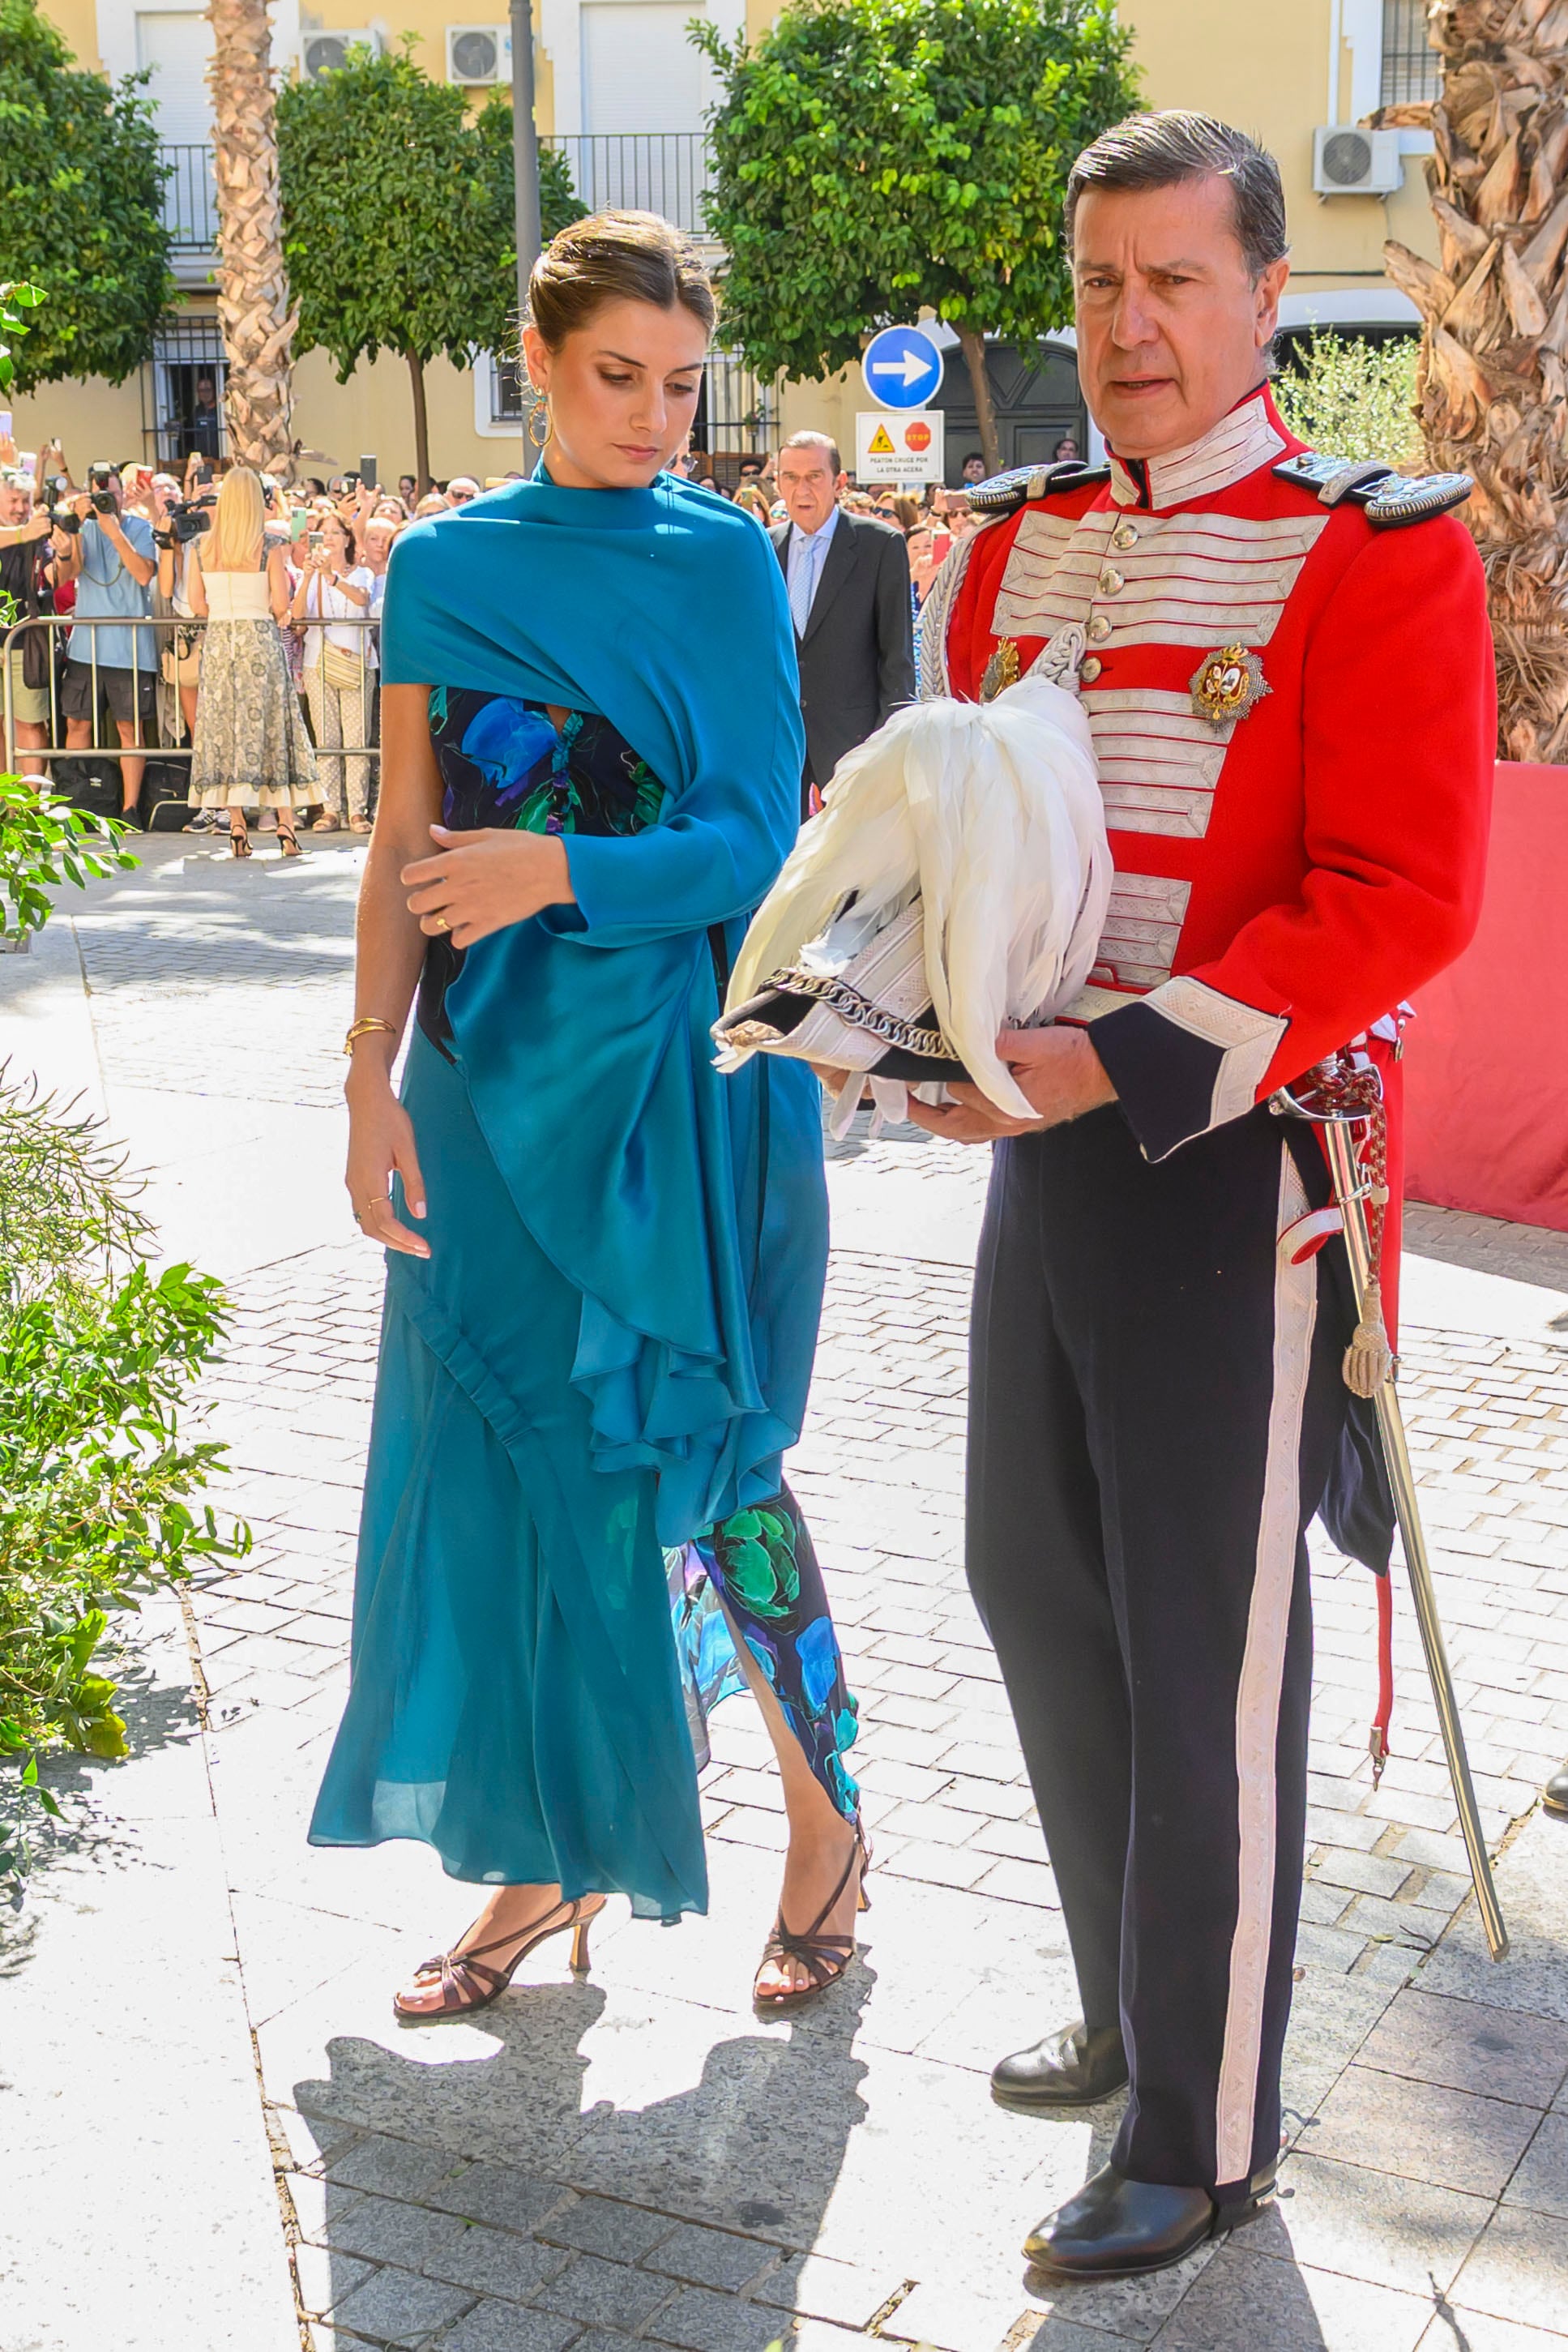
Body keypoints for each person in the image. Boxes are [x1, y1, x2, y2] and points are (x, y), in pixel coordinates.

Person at [912, 109, 1495, 2281]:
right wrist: (899, 1006)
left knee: (1198, 1647)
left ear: (1264, 295)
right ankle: (1133, 1993)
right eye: (1094, 283)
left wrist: (1122, 1054)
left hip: (1228, 1159)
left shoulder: (1372, 546)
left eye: (1170, 281)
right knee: (1024, 1572)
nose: (1126, 326)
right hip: (1035, 1137)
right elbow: (971, 832)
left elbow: (1402, 891)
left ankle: (1205, 2121)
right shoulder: (1000, 534)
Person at [310, 209, 865, 2020]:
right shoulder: (443, 565)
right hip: (477, 1090)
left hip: (673, 1092)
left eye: (680, 383)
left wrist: (559, 862)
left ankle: (821, 1820)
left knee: (711, 1466)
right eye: (615, 377)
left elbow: (751, 838)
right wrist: (370, 1067)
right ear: (535, 366)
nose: (652, 415)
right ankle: (536, 1863)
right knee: (502, 1467)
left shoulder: (718, 562)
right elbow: (401, 839)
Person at [771, 431, 915, 819]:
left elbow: (897, 657)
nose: (801, 489)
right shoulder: (765, 548)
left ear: (839, 482)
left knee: (856, 872)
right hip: (782, 745)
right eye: (790, 477)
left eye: (814, 476)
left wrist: (889, 747)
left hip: (854, 743)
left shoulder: (879, 546)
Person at [186, 466, 317, 856]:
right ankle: (286, 826)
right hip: (259, 639)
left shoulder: (200, 546)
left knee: (225, 730)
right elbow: (280, 604)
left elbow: (196, 605)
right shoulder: (268, 545)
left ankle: (238, 827)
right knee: (275, 728)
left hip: (221, 641)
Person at [51, 466, 156, 824]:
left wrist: (113, 530)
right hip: (86, 648)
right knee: (77, 725)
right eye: (98, 495)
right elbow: (69, 574)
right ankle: (73, 805)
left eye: (109, 494)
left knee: (130, 730)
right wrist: (77, 528)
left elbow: (143, 574)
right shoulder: (84, 527)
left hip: (130, 649)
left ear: (123, 494)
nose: (104, 501)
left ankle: (130, 809)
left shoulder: (139, 529)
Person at [290, 511, 376, 832]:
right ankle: (330, 810)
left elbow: (362, 600)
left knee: (356, 739)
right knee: (326, 739)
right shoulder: (309, 576)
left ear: (347, 539)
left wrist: (333, 578)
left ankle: (357, 809)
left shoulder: (362, 573)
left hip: (356, 661)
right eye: (323, 533)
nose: (329, 538)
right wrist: (310, 577)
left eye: (335, 533)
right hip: (318, 660)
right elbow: (297, 620)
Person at [0, 467, 57, 769]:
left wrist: (66, 550)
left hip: (25, 643)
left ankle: (31, 809)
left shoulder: (37, 534)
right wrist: (23, 533)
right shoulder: (25, 531)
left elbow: (54, 575)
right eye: (12, 500)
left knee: (31, 723)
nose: (19, 508)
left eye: (24, 501)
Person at [188, 374, 223, 459]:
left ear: (214, 390)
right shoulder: (197, 411)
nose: (205, 393)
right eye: (201, 390)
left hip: (220, 457)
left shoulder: (220, 410)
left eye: (208, 390)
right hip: (201, 458)